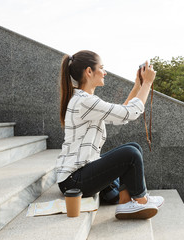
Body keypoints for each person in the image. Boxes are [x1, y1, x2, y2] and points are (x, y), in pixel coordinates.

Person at [55, 50, 164, 219]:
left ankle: (126, 202)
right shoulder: (85, 101)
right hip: (73, 182)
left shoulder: (83, 99)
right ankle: (140, 200)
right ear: (89, 71)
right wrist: (147, 83)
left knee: (132, 147)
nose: (105, 72)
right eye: (102, 68)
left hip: (74, 176)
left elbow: (122, 114)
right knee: (131, 154)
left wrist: (138, 85)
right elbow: (131, 112)